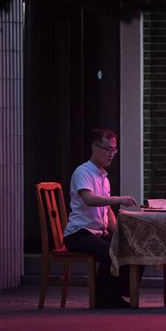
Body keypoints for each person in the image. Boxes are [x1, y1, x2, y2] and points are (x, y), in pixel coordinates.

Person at [63, 128, 139, 308]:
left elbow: (107, 211)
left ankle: (120, 291)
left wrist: (120, 232)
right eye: (108, 149)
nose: (112, 154)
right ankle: (103, 298)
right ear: (94, 148)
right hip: (79, 234)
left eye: (114, 150)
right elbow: (89, 200)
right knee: (109, 252)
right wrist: (119, 199)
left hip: (98, 232)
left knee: (132, 245)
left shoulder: (103, 176)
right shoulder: (83, 172)